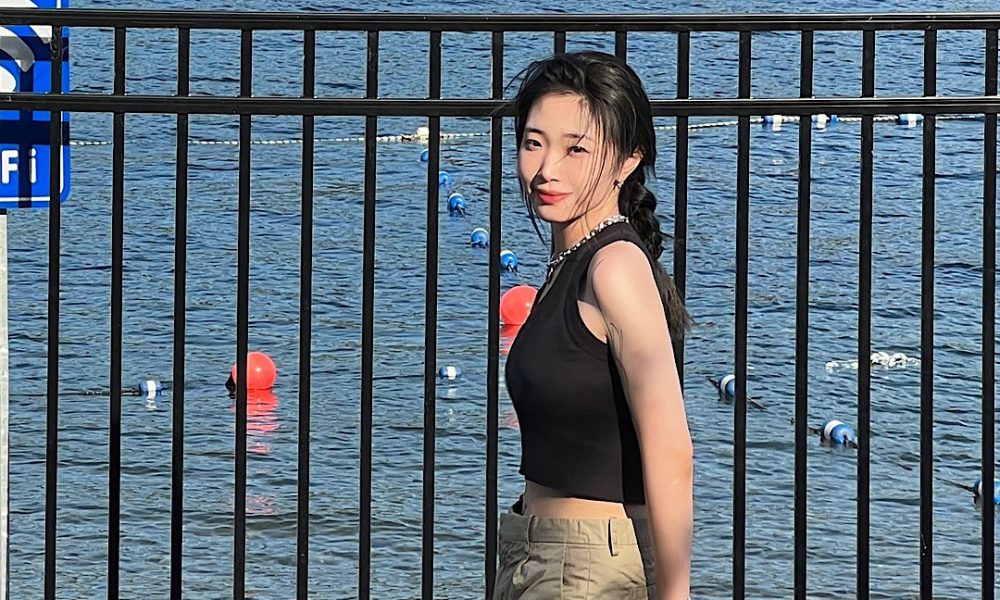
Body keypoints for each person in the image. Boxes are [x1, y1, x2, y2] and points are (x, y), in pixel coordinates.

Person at [495, 51, 694, 600]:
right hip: (536, 550)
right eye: (533, 142)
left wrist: (674, 594)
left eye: (576, 148)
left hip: (584, 567)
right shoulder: (573, 262)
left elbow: (670, 447)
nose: (547, 168)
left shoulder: (614, 267)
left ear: (627, 161)